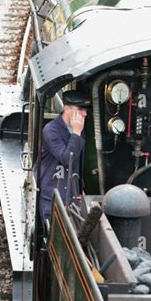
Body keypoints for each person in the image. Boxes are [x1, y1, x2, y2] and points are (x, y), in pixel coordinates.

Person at [35, 89, 91, 227]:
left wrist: (79, 188)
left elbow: (78, 163)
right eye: (80, 109)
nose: (85, 114)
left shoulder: (79, 131)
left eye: (86, 110)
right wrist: (77, 133)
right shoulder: (51, 130)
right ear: (66, 108)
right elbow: (67, 159)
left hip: (71, 194)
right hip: (52, 193)